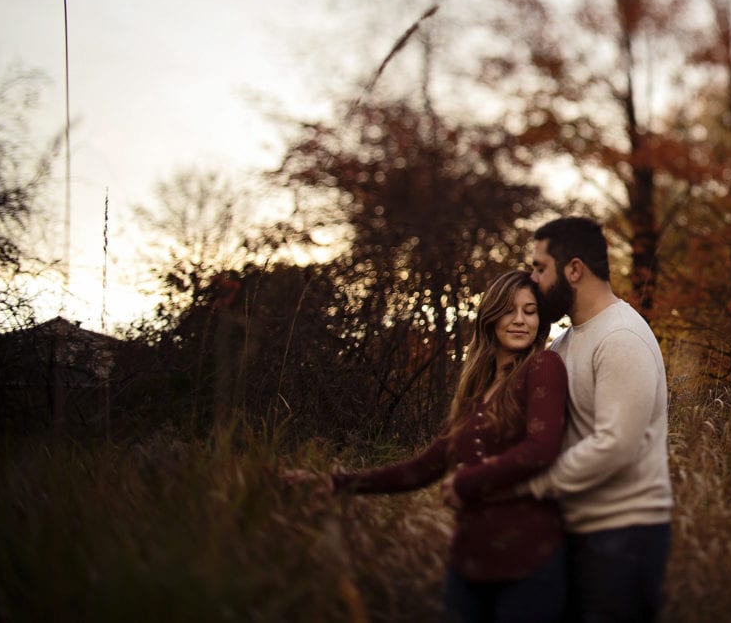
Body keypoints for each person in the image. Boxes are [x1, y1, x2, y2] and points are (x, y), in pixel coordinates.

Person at [282, 270, 569, 623]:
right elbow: (424, 467)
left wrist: (466, 482)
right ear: (491, 316)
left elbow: (541, 449)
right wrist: (336, 482)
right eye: (510, 310)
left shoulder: (543, 366)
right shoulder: (475, 391)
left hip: (529, 563)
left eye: (530, 311)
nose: (520, 320)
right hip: (468, 564)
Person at [523, 216, 673, 623]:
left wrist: (532, 486)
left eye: (540, 268)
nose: (533, 279)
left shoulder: (621, 337)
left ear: (574, 269)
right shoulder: (567, 341)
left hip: (624, 535)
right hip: (579, 531)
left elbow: (615, 445)